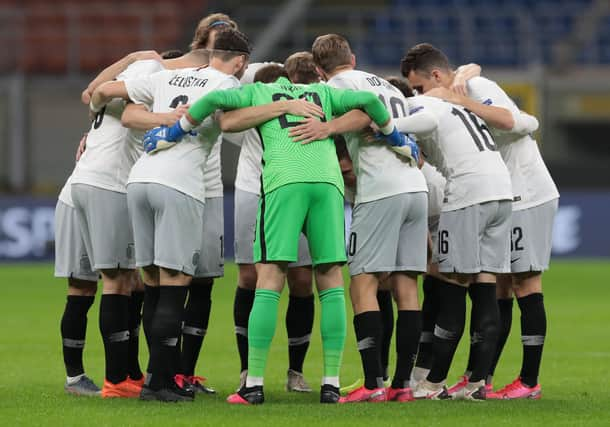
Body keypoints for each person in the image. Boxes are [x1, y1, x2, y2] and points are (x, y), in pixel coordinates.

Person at [142, 60, 415, 405]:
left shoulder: (263, 91)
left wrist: (174, 130)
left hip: (284, 183)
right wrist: (396, 138)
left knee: (270, 279)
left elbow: (212, 102)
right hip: (328, 185)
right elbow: (372, 104)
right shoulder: (327, 93)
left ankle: (253, 384)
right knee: (330, 281)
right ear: (313, 76)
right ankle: (330, 383)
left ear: (284, 76)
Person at [90, 28, 250, 402]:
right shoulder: (228, 83)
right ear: (240, 61)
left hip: (140, 179)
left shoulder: (164, 77)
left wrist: (158, 113)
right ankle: (160, 382)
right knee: (175, 287)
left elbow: (108, 97)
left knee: (154, 285)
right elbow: (229, 122)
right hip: (179, 184)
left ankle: (155, 377)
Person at [403, 43, 558, 400]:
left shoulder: (475, 88)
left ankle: (529, 381)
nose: (419, 96)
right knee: (498, 286)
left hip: (527, 193)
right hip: (503, 193)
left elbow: (516, 122)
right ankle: (480, 379)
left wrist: (461, 98)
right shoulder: (455, 92)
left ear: (439, 77)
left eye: (420, 88)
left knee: (525, 284)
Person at [309, 34, 428, 403]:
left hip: (381, 191)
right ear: (353, 57)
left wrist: (328, 128)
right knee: (406, 284)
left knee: (362, 283)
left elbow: (362, 113)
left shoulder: (340, 85)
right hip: (414, 186)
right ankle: (402, 385)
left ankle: (373, 383)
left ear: (318, 70)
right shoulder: (381, 82)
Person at [225, 58, 318, 393]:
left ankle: (296, 371)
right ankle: (247, 368)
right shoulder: (253, 97)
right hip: (253, 189)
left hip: (293, 187)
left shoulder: (304, 102)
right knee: (251, 275)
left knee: (302, 278)